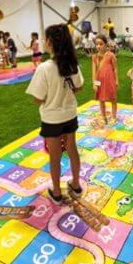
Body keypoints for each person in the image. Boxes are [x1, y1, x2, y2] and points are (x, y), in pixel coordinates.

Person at [26, 24, 84, 203]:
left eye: (45, 38)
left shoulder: (44, 68)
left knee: (55, 155)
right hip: (70, 114)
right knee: (72, 148)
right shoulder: (72, 64)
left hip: (52, 119)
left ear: (50, 42)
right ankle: (75, 184)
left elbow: (37, 98)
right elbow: (79, 87)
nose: (44, 41)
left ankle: (57, 192)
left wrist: (51, 97)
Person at [92, 34, 118, 125]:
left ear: (106, 44)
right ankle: (104, 117)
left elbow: (115, 68)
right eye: (97, 44)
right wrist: (95, 83)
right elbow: (94, 71)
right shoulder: (94, 57)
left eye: (101, 44)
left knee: (113, 99)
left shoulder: (111, 55)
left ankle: (114, 116)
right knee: (101, 99)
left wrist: (116, 80)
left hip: (110, 80)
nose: (98, 46)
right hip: (99, 81)